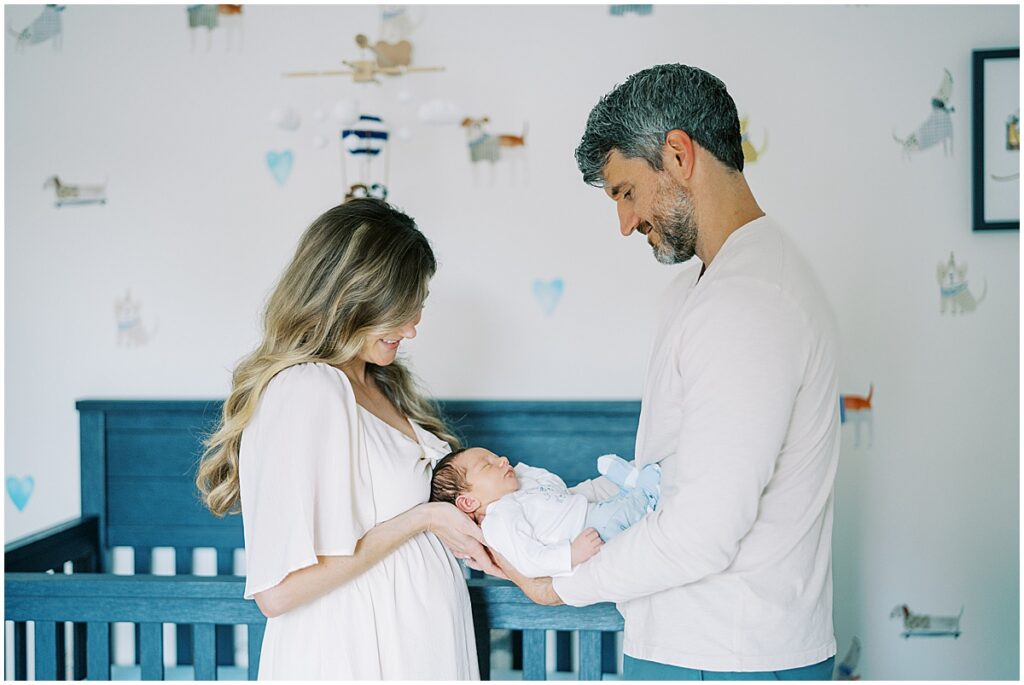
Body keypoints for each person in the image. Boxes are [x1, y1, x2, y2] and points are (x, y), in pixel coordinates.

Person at [497, 64, 841, 680]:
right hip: (693, 645)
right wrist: (545, 511)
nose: (625, 223)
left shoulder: (750, 301)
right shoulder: (701, 291)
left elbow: (701, 532)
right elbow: (658, 479)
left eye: (627, 192)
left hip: (726, 652)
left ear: (679, 154)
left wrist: (562, 586)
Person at [195, 198, 499, 679]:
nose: (412, 327)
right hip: (352, 655)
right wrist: (423, 518)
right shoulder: (308, 388)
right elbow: (280, 592)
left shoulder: (379, 383)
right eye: (401, 309)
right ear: (352, 298)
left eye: (416, 306)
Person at [430, 448, 661, 578]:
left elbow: (556, 485)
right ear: (468, 502)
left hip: (591, 511)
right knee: (619, 514)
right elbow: (529, 560)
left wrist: (523, 474)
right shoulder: (499, 520)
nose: (502, 460)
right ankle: (646, 494)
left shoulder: (520, 489)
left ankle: (633, 486)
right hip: (588, 533)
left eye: (497, 456)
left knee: (615, 505)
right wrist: (570, 554)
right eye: (488, 465)